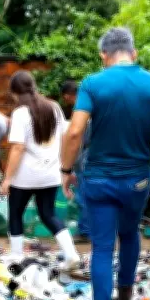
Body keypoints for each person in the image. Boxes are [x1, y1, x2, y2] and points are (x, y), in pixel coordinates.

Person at [60, 27, 150, 300]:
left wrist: (65, 170)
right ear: (134, 53)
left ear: (104, 55)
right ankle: (125, 296)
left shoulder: (92, 84)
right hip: (137, 181)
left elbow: (74, 132)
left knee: (102, 246)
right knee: (129, 234)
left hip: (98, 178)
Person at [2, 70, 80, 269]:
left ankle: (17, 256)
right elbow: (65, 137)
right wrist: (64, 168)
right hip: (50, 174)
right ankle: (71, 254)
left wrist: (7, 179)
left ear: (14, 92)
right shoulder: (54, 107)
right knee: (48, 214)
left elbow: (18, 148)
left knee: (16, 213)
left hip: (25, 176)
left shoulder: (20, 113)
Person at [60, 80, 91, 241]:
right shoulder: (94, 104)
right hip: (93, 158)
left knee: (83, 196)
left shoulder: (83, 110)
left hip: (87, 159)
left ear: (67, 96)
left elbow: (76, 138)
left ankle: (85, 232)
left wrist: (67, 168)